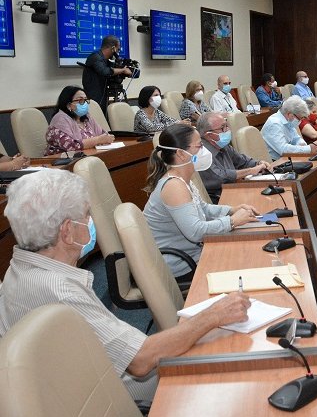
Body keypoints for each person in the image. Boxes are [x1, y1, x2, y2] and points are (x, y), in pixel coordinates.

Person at [0, 168, 251, 401]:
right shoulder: (60, 290)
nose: (91, 220)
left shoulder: (19, 269)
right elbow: (141, 360)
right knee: (236, 368)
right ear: (67, 231)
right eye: (86, 214)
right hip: (119, 396)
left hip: (77, 387)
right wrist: (213, 315)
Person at [143, 124, 259, 278]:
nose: (204, 151)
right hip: (182, 265)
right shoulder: (174, 186)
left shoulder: (181, 179)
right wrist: (232, 221)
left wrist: (232, 210)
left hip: (192, 253)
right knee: (246, 260)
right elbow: (196, 232)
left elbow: (202, 208)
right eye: (199, 146)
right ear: (181, 154)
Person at [197, 112, 270, 203]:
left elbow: (242, 161)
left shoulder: (223, 145)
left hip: (236, 190)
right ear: (209, 135)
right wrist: (251, 170)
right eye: (222, 128)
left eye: (227, 125)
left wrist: (258, 163)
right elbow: (220, 177)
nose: (227, 130)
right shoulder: (200, 153)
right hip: (219, 200)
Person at [46, 86, 115, 155]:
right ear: (69, 105)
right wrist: (98, 140)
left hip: (88, 156)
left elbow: (104, 135)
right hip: (61, 161)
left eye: (85, 100)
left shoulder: (87, 117)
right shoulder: (60, 119)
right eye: (80, 100)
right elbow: (70, 146)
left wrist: (106, 138)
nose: (84, 103)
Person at [262, 95, 317, 160]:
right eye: (300, 118)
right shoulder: (274, 123)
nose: (301, 121)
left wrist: (303, 145)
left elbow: (296, 138)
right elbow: (283, 150)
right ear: (290, 115)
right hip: (276, 163)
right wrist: (308, 149)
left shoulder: (288, 121)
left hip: (289, 159)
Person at [81, 35, 133, 110]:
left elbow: (113, 68)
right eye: (118, 50)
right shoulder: (95, 57)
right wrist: (123, 70)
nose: (118, 53)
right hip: (93, 97)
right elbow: (105, 71)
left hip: (102, 96)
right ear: (113, 48)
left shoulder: (105, 60)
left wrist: (125, 68)